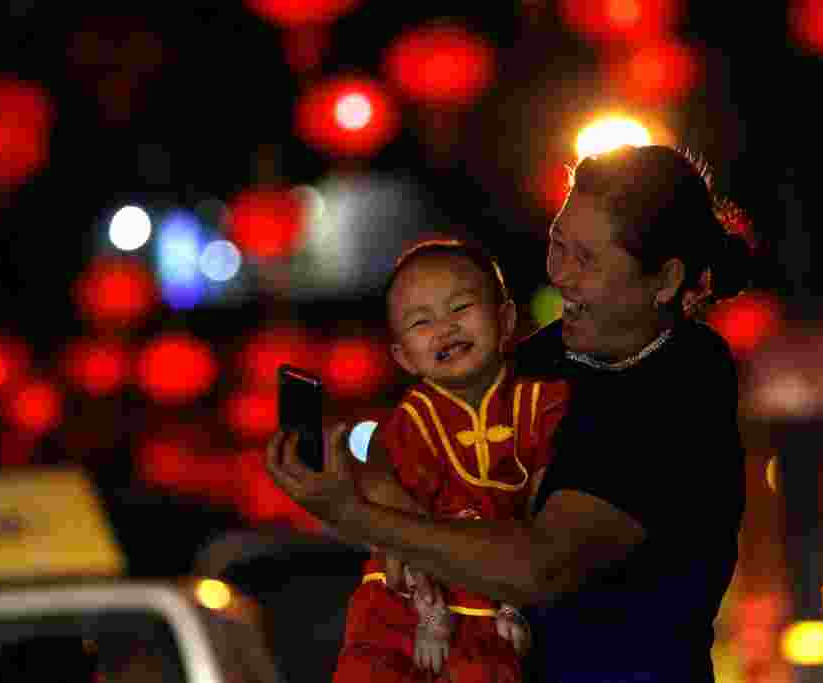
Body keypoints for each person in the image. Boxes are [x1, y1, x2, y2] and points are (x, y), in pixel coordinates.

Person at [267, 144, 750, 681]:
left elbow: (540, 565)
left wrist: (354, 514)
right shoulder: (545, 356)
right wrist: (382, 489)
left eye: (585, 259)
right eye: (557, 246)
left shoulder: (683, 383)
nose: (560, 275)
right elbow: (418, 425)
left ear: (663, 281)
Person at [331, 240, 569, 683]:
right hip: (405, 603)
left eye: (460, 308)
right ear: (402, 356)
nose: (444, 328)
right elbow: (399, 517)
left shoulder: (543, 403)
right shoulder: (408, 425)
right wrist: (429, 612)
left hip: (492, 601)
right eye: (421, 322)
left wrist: (514, 604)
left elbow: (542, 515)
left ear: (506, 320)